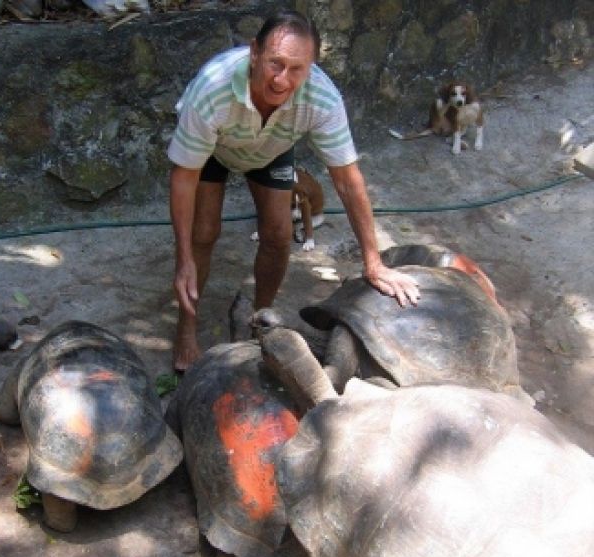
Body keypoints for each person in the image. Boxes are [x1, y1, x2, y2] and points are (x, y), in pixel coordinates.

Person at [167, 9, 420, 373]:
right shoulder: (213, 90)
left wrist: (374, 262)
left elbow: (348, 180)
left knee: (279, 234)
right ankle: (186, 328)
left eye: (297, 68)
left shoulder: (322, 98)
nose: (282, 79)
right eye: (275, 63)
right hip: (213, 149)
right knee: (202, 234)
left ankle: (259, 321)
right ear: (255, 53)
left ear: (312, 66)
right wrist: (183, 255)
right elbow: (184, 176)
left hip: (271, 145)